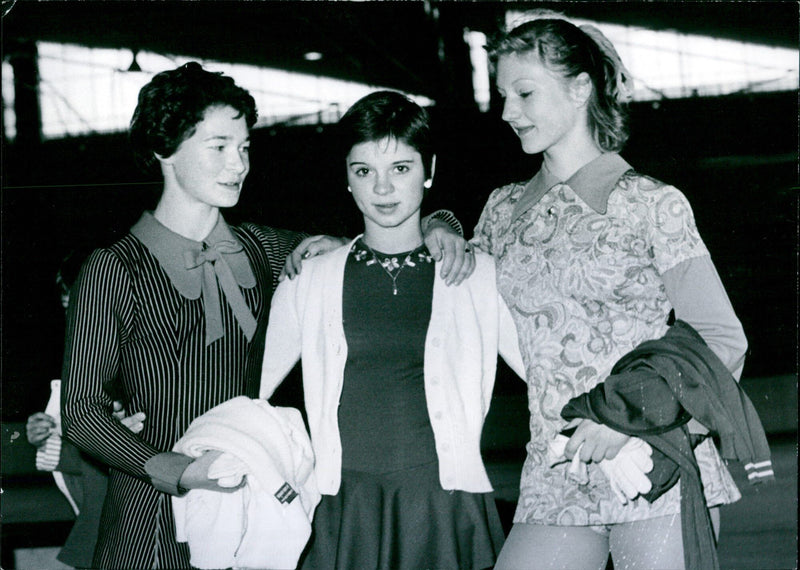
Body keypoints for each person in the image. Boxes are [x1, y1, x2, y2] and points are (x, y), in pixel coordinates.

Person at [60, 63, 472, 570]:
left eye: (245, 147)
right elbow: (80, 410)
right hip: (149, 524)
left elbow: (376, 240)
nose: (239, 164)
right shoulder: (113, 268)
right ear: (163, 149)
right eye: (219, 146)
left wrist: (439, 221)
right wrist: (178, 471)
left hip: (252, 519)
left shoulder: (264, 249)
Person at [469, 12, 748, 570]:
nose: (507, 112)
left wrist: (627, 421)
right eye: (502, 95)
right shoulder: (503, 212)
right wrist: (439, 226)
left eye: (524, 93)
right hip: (555, 474)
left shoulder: (651, 204)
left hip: (653, 465)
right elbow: (451, 284)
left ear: (579, 88)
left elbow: (722, 339)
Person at [259, 90, 526, 570]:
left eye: (400, 168)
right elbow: (250, 389)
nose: (382, 189)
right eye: (364, 171)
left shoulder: (478, 275)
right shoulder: (310, 278)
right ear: (346, 176)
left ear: (430, 170)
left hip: (446, 503)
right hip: (346, 508)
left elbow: (543, 372)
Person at [26, 251, 145, 569]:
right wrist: (43, 434)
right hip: (100, 489)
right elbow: (70, 435)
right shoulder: (78, 362)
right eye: (69, 310)